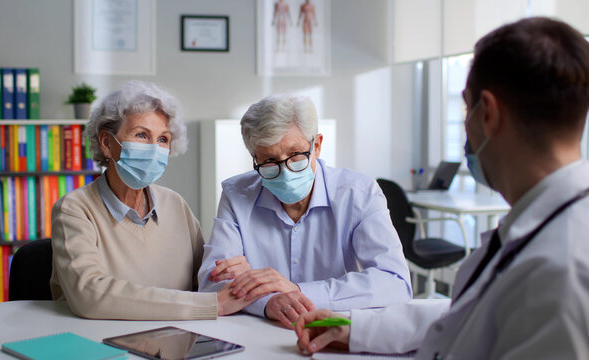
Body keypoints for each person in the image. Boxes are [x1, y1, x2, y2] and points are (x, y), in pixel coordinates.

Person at [294, 17, 589, 359]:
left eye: (466, 106)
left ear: (488, 114)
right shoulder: (547, 226)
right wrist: (358, 327)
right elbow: (470, 310)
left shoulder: (563, 271)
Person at [198, 94, 412, 328]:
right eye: (269, 160)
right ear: (254, 158)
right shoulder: (237, 194)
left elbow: (395, 282)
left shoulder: (358, 193)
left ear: (317, 146)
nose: (286, 172)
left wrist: (298, 291)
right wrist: (269, 302)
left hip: (334, 330)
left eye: (296, 155)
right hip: (259, 333)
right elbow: (213, 284)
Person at [50, 81, 258, 320]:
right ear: (107, 143)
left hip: (176, 342)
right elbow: (89, 295)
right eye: (141, 135)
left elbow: (207, 281)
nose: (154, 149)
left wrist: (233, 274)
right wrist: (210, 305)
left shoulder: (175, 204)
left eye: (163, 139)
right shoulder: (75, 209)